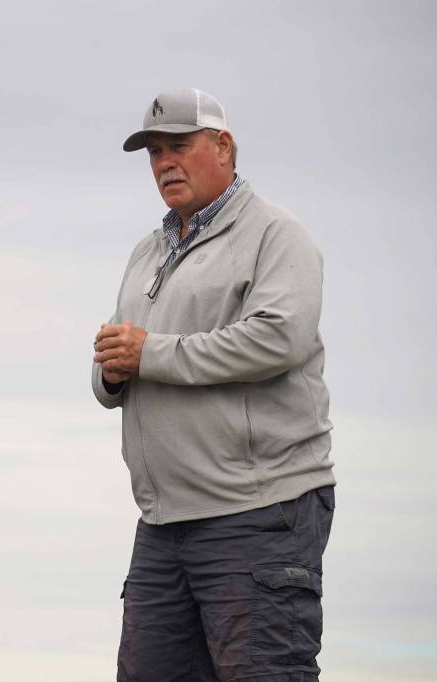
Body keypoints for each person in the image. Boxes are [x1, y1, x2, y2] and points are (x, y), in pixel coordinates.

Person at [92, 89, 337, 681]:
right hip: (162, 521)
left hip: (256, 513)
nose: (163, 163)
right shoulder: (146, 252)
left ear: (223, 146)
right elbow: (117, 375)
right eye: (153, 152)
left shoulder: (276, 234)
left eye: (178, 145)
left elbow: (279, 339)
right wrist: (111, 371)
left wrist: (151, 355)